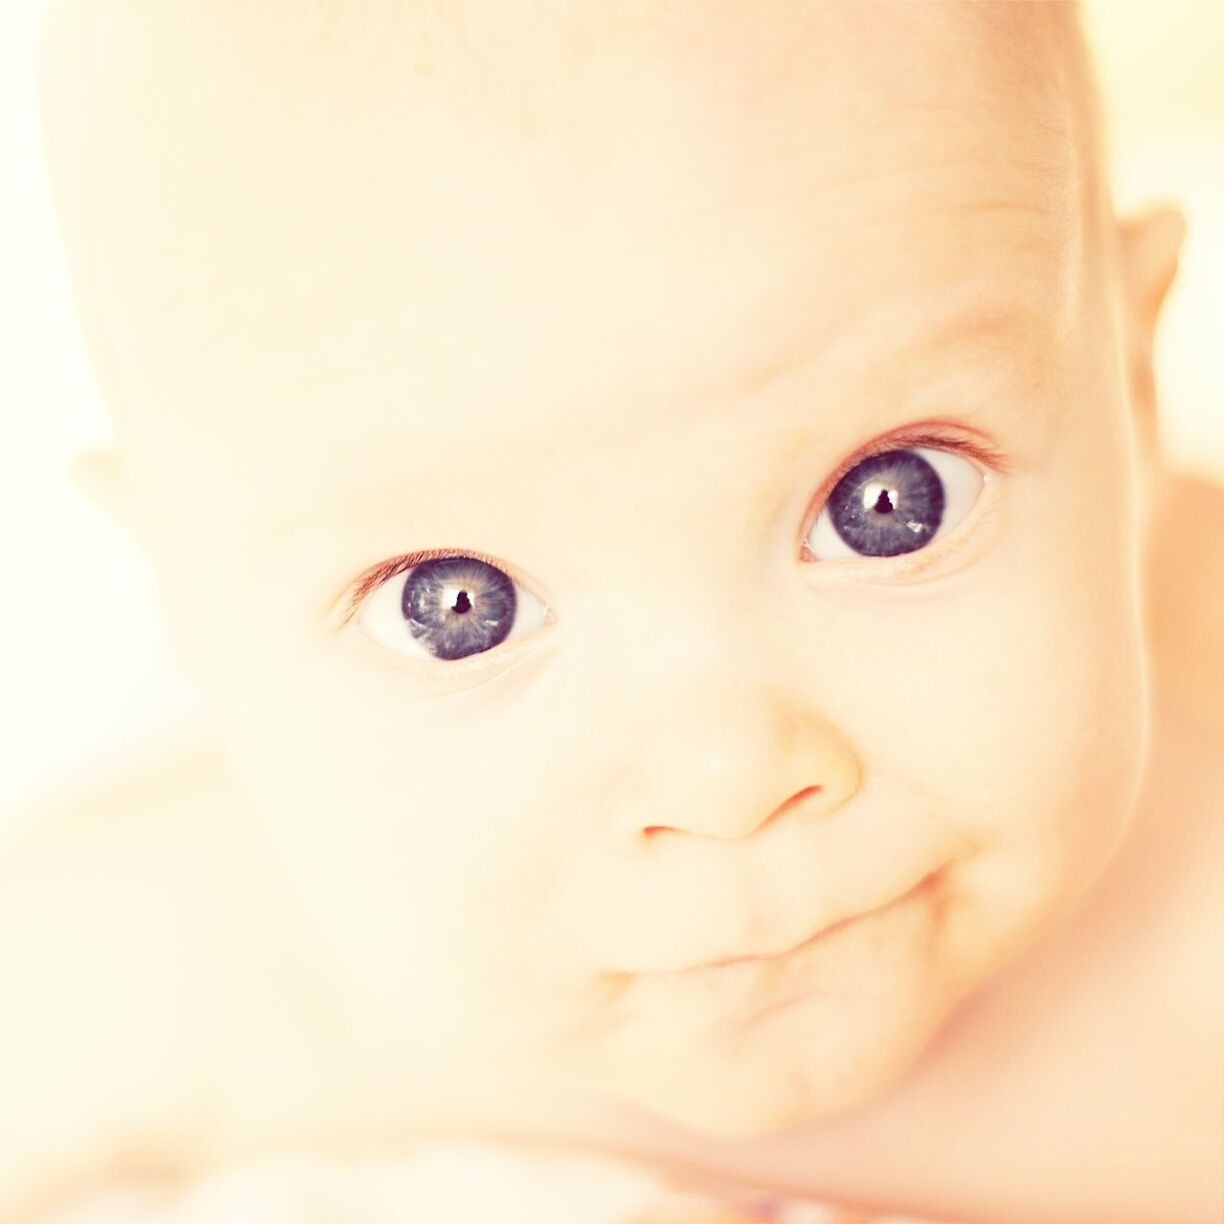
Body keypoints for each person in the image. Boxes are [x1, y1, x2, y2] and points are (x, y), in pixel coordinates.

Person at [7, 1, 1220, 1220]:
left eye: (887, 504)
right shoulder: (163, 969)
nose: (726, 775)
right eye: (454, 608)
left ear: (1131, 389)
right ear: (187, 606)